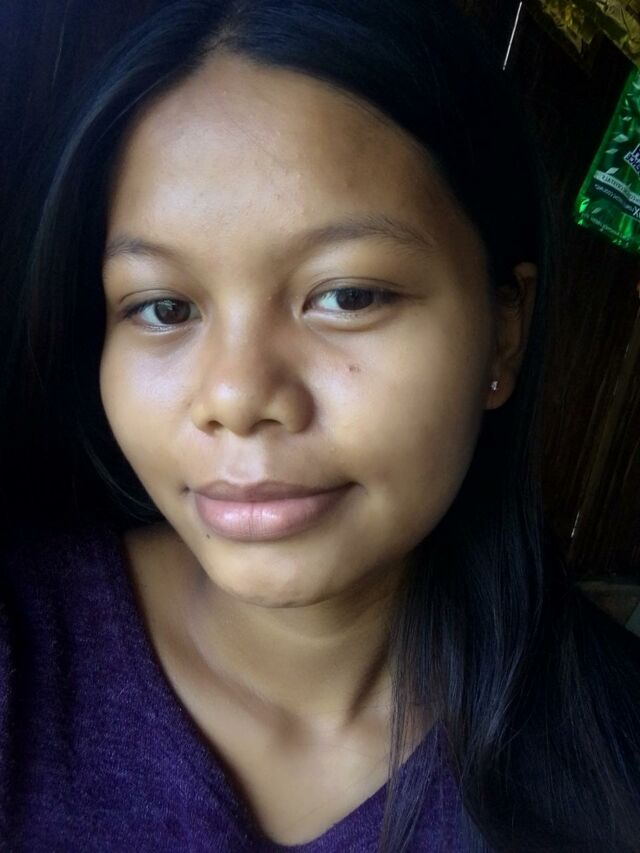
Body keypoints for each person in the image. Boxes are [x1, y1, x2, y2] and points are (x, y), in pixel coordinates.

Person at [1, 1, 639, 851]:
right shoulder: (22, 658)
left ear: (503, 332)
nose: (236, 396)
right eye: (163, 307)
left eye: (347, 294)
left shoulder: (615, 753)